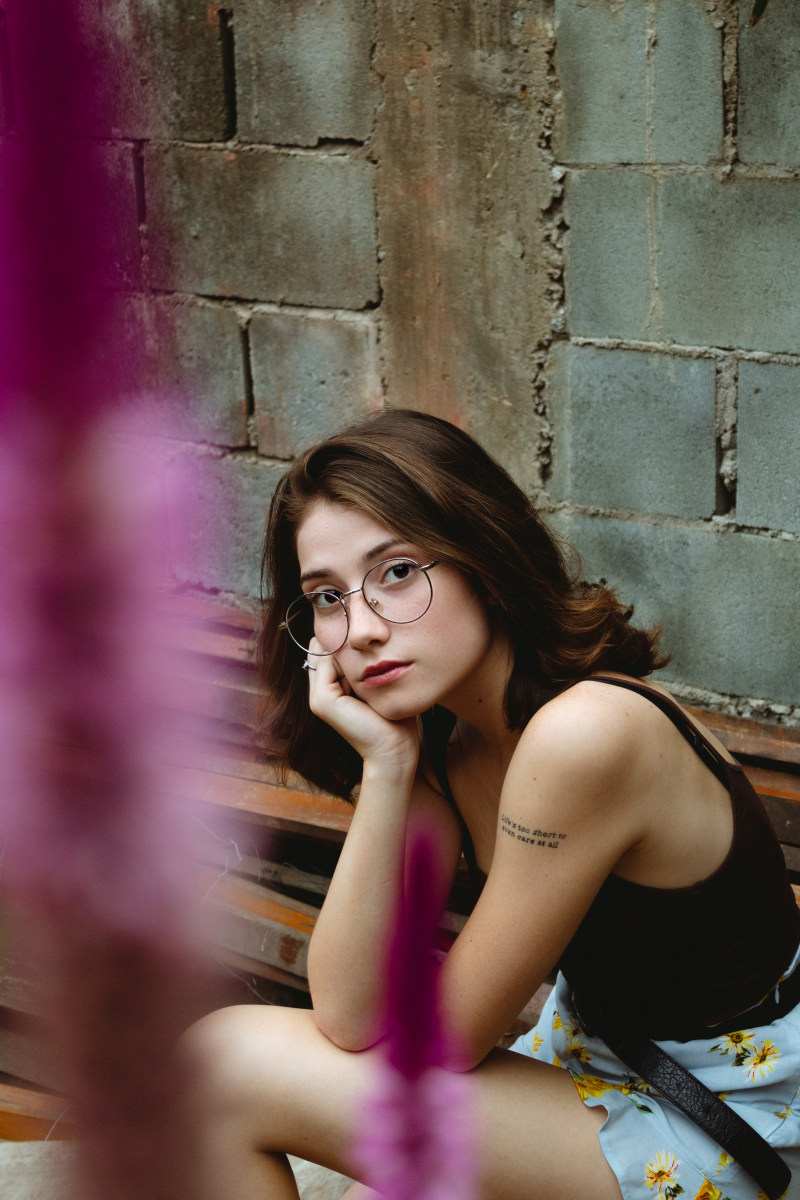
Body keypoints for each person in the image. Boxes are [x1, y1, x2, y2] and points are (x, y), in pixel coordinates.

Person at [184, 409, 800, 1200]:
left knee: (222, 1068)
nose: (363, 628)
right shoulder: (450, 742)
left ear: (483, 554)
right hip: (600, 1075)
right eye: (328, 598)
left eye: (397, 571)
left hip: (728, 1128)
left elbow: (445, 1041)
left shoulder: (585, 735)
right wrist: (387, 766)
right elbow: (348, 1013)